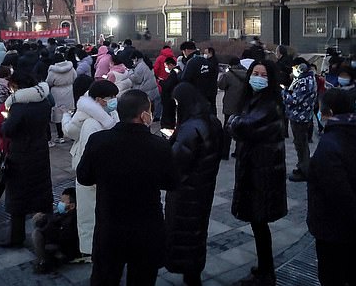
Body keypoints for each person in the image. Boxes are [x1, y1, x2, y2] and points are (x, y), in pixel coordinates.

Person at [76, 90, 178, 286]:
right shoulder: (159, 146)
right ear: (143, 115)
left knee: (105, 277)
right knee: (142, 279)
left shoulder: (99, 141)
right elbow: (172, 182)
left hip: (110, 225)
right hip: (146, 228)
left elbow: (84, 177)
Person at [307, 88, 356, 286]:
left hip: (334, 227)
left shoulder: (329, 145)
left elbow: (337, 191)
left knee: (332, 275)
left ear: (329, 113)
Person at [227, 60, 287, 286]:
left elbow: (245, 126)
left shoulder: (269, 103)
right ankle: (264, 267)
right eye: (255, 73)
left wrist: (233, 122)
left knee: (260, 223)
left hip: (262, 171)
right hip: (256, 167)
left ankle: (266, 274)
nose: (258, 77)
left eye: (263, 74)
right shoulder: (254, 99)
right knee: (258, 224)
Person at [165, 83, 222, 286]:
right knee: (198, 232)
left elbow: (175, 163)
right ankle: (194, 273)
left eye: (178, 102)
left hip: (186, 192)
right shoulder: (212, 121)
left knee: (183, 233)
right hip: (204, 187)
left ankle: (189, 274)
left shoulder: (191, 128)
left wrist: (169, 144)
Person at [62, 80, 119, 258]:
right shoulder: (91, 124)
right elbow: (91, 159)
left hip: (102, 175)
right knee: (91, 214)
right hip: (92, 177)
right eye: (111, 98)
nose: (114, 101)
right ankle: (93, 251)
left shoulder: (108, 114)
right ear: (99, 100)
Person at [0, 71, 53, 247]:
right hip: (40, 151)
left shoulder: (18, 106)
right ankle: (48, 231)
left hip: (21, 154)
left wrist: (3, 123)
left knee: (17, 195)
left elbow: (8, 130)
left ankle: (16, 237)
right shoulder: (44, 101)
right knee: (42, 191)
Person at [32, 187, 80, 274]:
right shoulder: (64, 214)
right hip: (59, 241)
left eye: (63, 201)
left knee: (37, 234)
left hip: (65, 249)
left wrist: (45, 223)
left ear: (72, 206)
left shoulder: (71, 220)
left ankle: (44, 262)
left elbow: (61, 236)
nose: (60, 203)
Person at [282, 62, 317, 182]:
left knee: (301, 144)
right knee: (300, 143)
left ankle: (304, 169)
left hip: (300, 116)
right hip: (301, 115)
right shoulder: (307, 79)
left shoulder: (305, 82)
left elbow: (295, 100)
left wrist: (284, 93)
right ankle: (302, 166)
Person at [217, 57, 248, 159]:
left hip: (230, 105)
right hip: (243, 105)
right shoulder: (247, 73)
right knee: (241, 128)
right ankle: (239, 152)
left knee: (227, 130)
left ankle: (224, 153)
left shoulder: (228, 75)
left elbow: (221, 86)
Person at [179, 42, 218, 115]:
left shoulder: (191, 62)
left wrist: (178, 74)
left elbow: (184, 79)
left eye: (183, 52)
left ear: (186, 50)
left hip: (197, 96)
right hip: (210, 93)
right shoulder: (205, 60)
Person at [46, 54, 77, 145]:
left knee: (58, 113)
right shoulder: (70, 68)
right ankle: (72, 134)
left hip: (57, 91)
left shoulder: (52, 70)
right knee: (69, 111)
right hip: (69, 90)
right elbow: (75, 77)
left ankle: (60, 136)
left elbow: (49, 82)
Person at [129, 51, 160, 115]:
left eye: (133, 60)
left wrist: (130, 72)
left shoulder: (140, 66)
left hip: (145, 89)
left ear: (136, 58)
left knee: (144, 107)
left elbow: (137, 79)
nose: (133, 61)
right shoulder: (146, 62)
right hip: (151, 88)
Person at [159, 57, 181, 130]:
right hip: (172, 98)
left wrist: (161, 82)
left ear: (171, 65)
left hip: (169, 98)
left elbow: (168, 85)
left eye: (166, 66)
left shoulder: (174, 73)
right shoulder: (178, 71)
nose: (166, 68)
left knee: (168, 117)